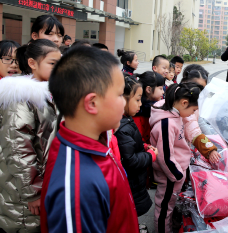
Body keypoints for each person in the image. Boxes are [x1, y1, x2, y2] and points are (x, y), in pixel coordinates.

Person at [41, 46, 139, 233]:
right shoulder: (76, 187)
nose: (124, 102)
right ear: (92, 103)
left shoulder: (93, 143)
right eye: (120, 95)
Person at [0, 39, 61, 233]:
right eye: (52, 63)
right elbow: (18, 151)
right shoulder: (20, 97)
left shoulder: (49, 93)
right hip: (23, 192)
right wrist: (32, 193)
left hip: (44, 183)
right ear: (32, 63)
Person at [151, 82, 210, 233]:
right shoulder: (166, 123)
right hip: (170, 176)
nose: (192, 114)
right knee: (164, 208)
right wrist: (177, 175)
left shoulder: (175, 114)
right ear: (184, 103)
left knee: (169, 205)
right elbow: (165, 155)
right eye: (193, 110)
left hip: (175, 172)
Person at [114, 74, 158, 220]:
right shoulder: (121, 126)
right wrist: (150, 156)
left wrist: (144, 146)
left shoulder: (126, 119)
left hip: (135, 181)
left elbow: (130, 146)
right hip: (130, 182)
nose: (140, 104)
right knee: (129, 214)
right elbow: (130, 160)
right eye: (138, 100)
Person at [134, 71, 165, 143]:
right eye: (160, 89)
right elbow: (139, 139)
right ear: (149, 89)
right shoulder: (138, 112)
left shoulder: (152, 106)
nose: (163, 92)